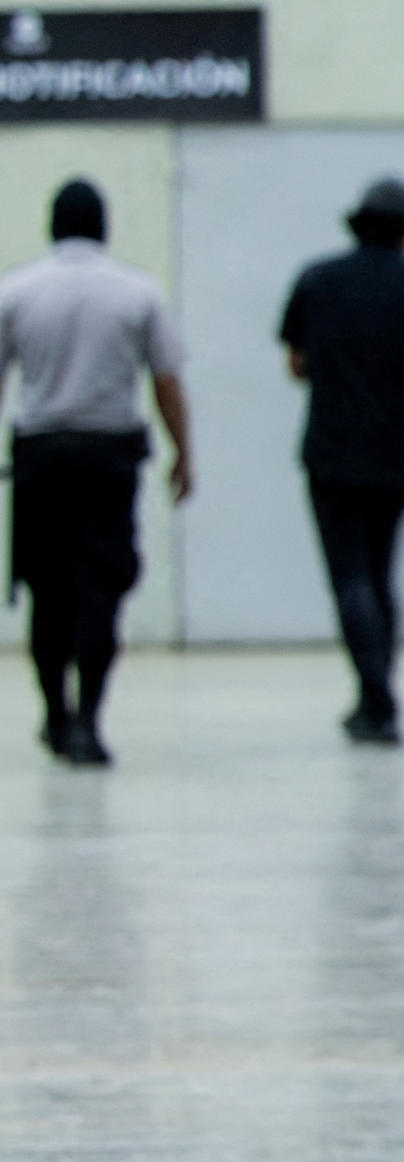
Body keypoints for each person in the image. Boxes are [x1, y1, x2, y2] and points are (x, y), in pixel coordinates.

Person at [280, 177, 404, 748]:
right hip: (397, 450)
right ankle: (376, 695)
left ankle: (377, 698)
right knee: (380, 573)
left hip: (331, 451)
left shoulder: (317, 282)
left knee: (349, 576)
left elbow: (296, 363)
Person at [1, 179, 190, 766]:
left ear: (52, 225)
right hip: (109, 459)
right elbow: (165, 381)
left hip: (40, 456)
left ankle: (55, 714)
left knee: (47, 591)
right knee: (101, 590)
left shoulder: (16, 290)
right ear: (104, 225)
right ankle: (88, 720)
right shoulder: (137, 293)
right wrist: (184, 451)